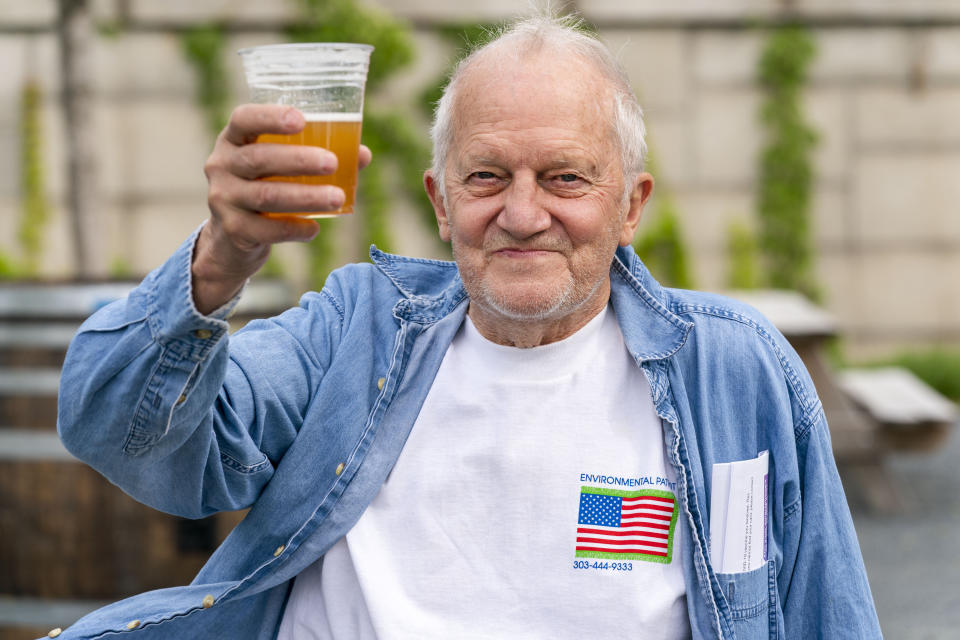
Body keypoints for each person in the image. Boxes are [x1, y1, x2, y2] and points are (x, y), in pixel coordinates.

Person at [54, 14, 881, 640]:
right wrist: (221, 257)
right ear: (441, 202)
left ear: (630, 206)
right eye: (486, 176)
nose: (522, 214)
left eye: (565, 177)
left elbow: (827, 615)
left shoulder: (734, 371)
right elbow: (119, 435)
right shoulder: (353, 334)